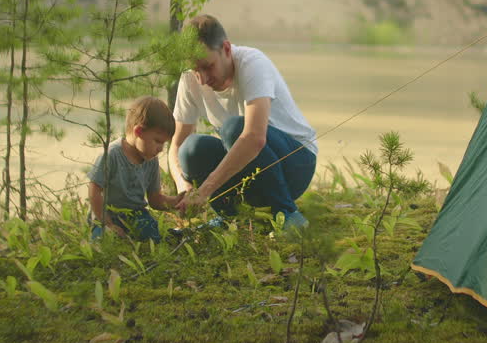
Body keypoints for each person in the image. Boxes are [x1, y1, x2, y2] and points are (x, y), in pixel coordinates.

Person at [171, 15, 317, 229]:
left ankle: (287, 215)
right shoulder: (190, 80)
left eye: (208, 66)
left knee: (234, 129)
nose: (202, 78)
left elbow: (254, 138)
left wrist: (204, 191)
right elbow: (176, 144)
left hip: (295, 164)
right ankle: (230, 219)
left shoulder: (252, 63)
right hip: (249, 169)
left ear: (227, 49)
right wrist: (183, 186)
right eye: (195, 69)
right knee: (191, 149)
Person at [88, 96, 182, 242]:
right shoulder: (112, 155)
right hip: (107, 215)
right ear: (138, 131)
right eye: (157, 141)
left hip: (136, 214)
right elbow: (94, 192)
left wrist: (177, 202)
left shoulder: (151, 161)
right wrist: (108, 224)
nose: (160, 149)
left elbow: (155, 199)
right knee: (103, 240)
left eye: (164, 144)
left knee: (152, 235)